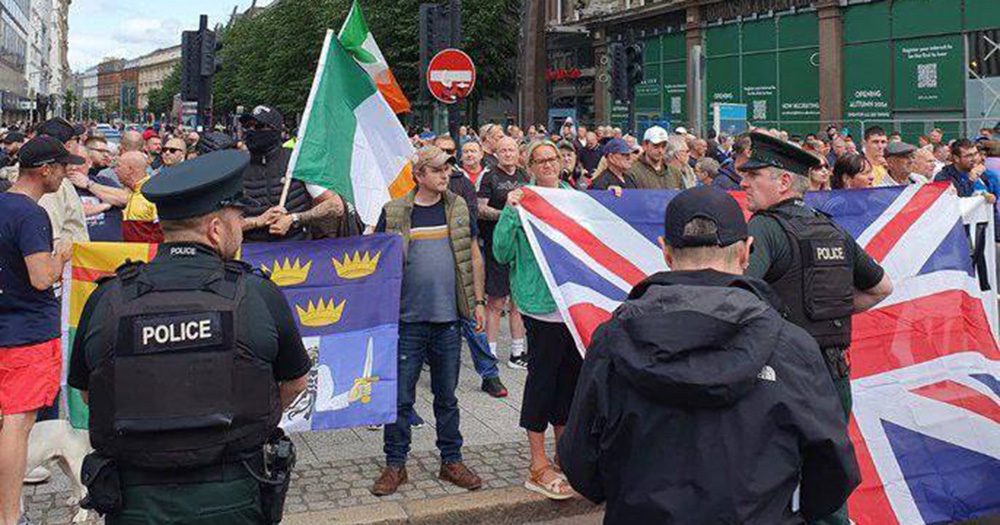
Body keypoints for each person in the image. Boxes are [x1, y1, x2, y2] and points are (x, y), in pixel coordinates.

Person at [559, 186, 861, 524]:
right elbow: (834, 470)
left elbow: (579, 463)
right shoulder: (792, 344)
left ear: (666, 252)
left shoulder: (611, 340)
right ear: (747, 253)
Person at [67, 150, 311, 525]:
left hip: (135, 500)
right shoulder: (257, 294)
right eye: (236, 220)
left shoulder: (108, 297)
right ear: (216, 229)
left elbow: (88, 392)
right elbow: (294, 382)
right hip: (234, 493)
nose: (239, 228)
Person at [740, 132, 892, 525]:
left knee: (772, 484)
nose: (743, 183)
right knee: (828, 485)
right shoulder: (832, 230)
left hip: (782, 380)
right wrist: (830, 312)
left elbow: (738, 298)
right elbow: (880, 288)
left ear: (783, 182)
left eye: (752, 175)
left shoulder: (765, 229)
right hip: (833, 376)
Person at [371, 146, 485, 496]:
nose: (444, 174)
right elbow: (374, 259)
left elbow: (473, 252)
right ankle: (395, 465)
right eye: (436, 170)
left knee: (446, 396)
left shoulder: (458, 207)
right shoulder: (393, 212)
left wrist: (478, 301)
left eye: (446, 169)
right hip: (407, 321)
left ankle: (451, 460)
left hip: (448, 319)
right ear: (418, 175)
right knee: (400, 398)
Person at [0, 137, 81, 525]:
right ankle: (10, 515)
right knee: (17, 427)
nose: (67, 174)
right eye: (63, 167)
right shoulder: (31, 215)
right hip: (27, 334)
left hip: (6, 328)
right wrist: (61, 253)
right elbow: (40, 276)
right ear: (45, 170)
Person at [494, 141, 580, 501]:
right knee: (542, 380)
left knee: (570, 381)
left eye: (552, 158)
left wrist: (616, 197)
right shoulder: (522, 200)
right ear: (530, 165)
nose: (547, 164)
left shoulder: (574, 197)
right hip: (540, 304)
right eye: (540, 160)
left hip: (572, 304)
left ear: (561, 162)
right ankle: (537, 462)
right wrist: (511, 212)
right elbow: (501, 251)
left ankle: (564, 454)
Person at [433, 136, 508, 398]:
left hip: (458, 264)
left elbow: (472, 225)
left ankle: (489, 374)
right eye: (440, 151)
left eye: (449, 153)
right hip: (428, 272)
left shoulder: (461, 183)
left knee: (471, 322)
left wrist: (478, 295)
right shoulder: (415, 188)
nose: (445, 157)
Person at [238, 106, 345, 242]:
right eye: (248, 127)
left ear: (276, 130)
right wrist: (256, 221)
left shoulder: (297, 162)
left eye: (260, 126)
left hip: (296, 255)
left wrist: (294, 219)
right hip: (252, 255)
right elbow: (219, 224)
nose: (253, 131)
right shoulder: (236, 168)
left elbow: (335, 205)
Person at [477, 136, 531, 369]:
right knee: (496, 301)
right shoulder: (489, 176)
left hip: (522, 245)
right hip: (496, 245)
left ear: (518, 153)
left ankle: (517, 353)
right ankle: (489, 352)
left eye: (512, 150)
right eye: (503, 150)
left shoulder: (525, 176)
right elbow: (480, 208)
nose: (508, 154)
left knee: (518, 300)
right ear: (496, 154)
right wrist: (507, 215)